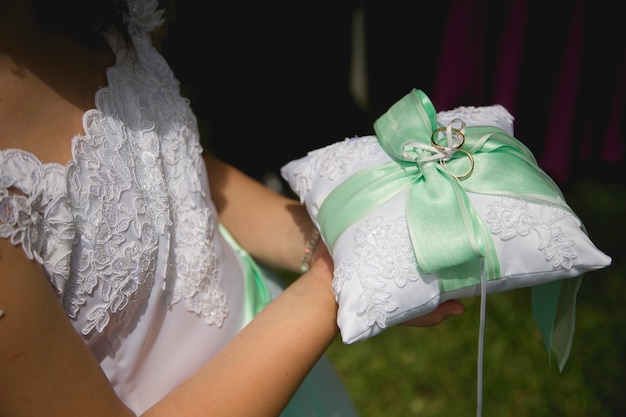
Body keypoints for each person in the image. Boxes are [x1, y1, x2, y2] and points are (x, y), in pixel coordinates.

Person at [0, 1, 465, 416]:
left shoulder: (92, 13)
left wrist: (338, 240)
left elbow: (173, 176)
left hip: (279, 342)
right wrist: (331, 283)